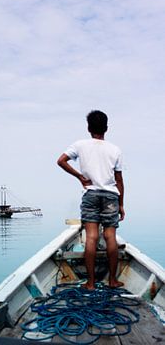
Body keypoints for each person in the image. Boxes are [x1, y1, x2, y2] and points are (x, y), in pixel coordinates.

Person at [57, 110, 125, 290]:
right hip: (111, 195)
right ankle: (112, 281)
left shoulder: (80, 145)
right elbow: (119, 180)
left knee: (92, 238)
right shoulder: (115, 149)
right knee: (110, 236)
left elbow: (61, 161)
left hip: (91, 194)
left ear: (88, 128)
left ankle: (91, 283)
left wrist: (80, 176)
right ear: (106, 128)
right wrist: (121, 204)